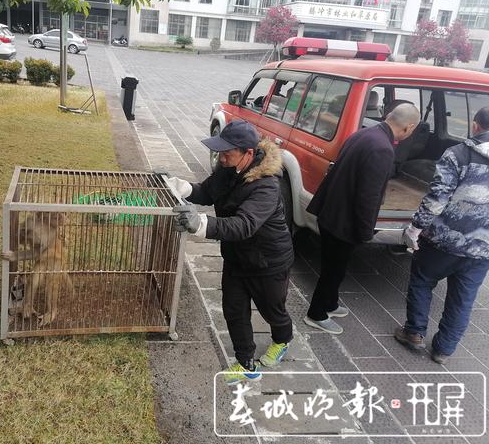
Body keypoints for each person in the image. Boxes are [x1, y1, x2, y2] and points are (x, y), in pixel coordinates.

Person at [169, 120, 294, 385]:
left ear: (248, 153)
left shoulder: (267, 185)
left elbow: (244, 225)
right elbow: (207, 191)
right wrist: (178, 185)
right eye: (220, 151)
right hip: (237, 257)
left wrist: (201, 224)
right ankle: (246, 362)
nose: (222, 157)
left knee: (272, 310)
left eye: (228, 153)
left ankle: (282, 339)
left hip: (268, 262)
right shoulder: (228, 169)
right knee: (234, 310)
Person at [304, 103, 421, 334]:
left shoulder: (365, 134)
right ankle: (316, 314)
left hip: (331, 211)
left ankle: (330, 304)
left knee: (336, 266)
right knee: (333, 270)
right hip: (342, 220)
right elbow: (367, 197)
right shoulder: (383, 149)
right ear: (409, 128)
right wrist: (366, 232)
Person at [395, 107, 489, 364]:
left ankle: (414, 332)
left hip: (444, 240)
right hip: (483, 249)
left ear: (475, 126)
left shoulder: (458, 154)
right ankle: (443, 349)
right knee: (463, 298)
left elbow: (437, 199)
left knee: (422, 280)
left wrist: (415, 228)